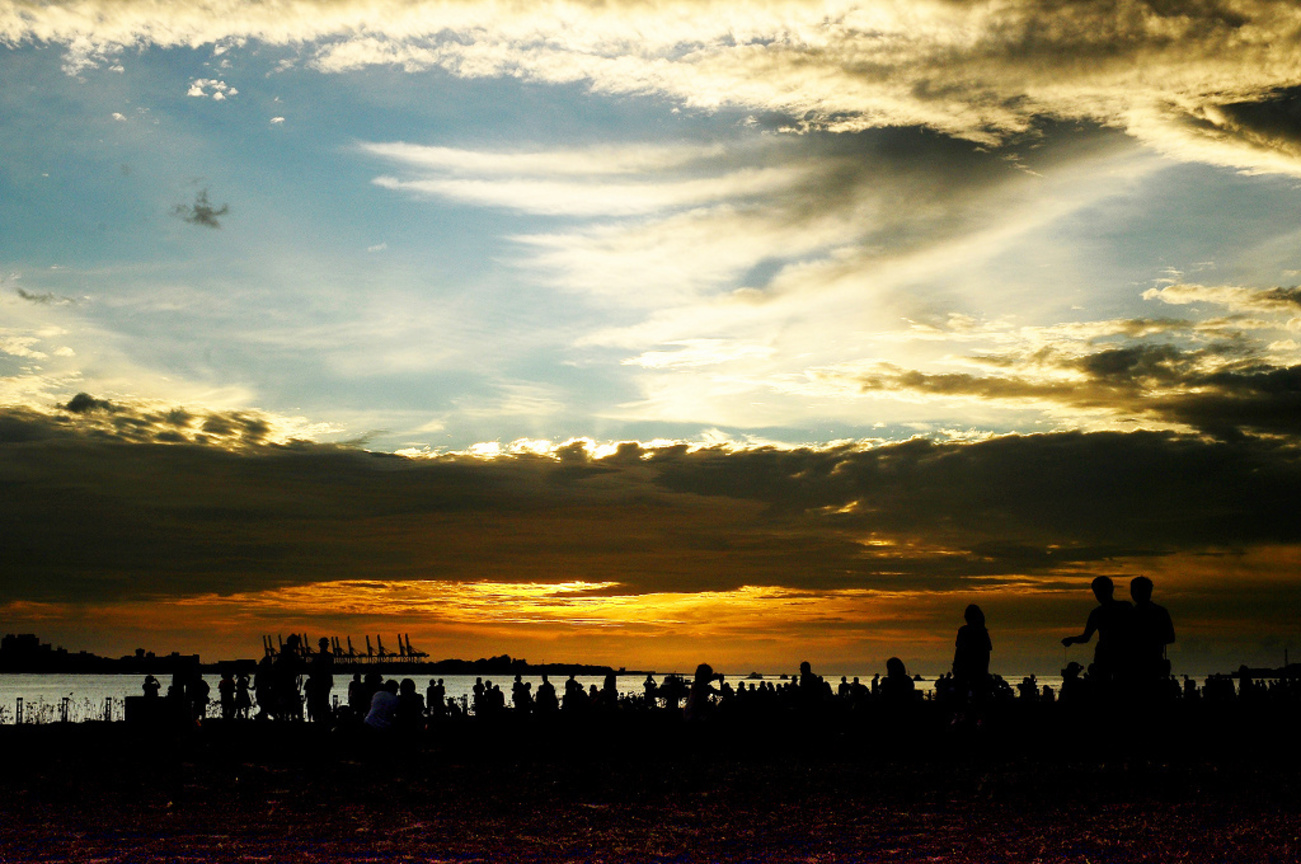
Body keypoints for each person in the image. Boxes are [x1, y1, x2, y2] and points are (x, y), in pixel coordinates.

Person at [1061, 576, 1133, 685]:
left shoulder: (1102, 612)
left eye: (1100, 591)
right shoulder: (1123, 607)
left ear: (1110, 590)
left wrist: (1071, 640)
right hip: (1110, 656)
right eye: (1097, 592)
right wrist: (1071, 639)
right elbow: (1085, 637)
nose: (1099, 595)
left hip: (1116, 655)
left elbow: (1085, 637)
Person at [1130, 576, 1175, 683]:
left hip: (1139, 664)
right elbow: (1170, 637)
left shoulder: (1130, 614)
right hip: (1152, 662)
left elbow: (1170, 637)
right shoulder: (1161, 611)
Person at [953, 604, 992, 704]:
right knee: (978, 698)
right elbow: (987, 652)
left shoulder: (964, 631)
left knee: (963, 698)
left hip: (967, 670)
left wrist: (957, 667)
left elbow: (959, 650)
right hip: (978, 670)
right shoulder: (982, 632)